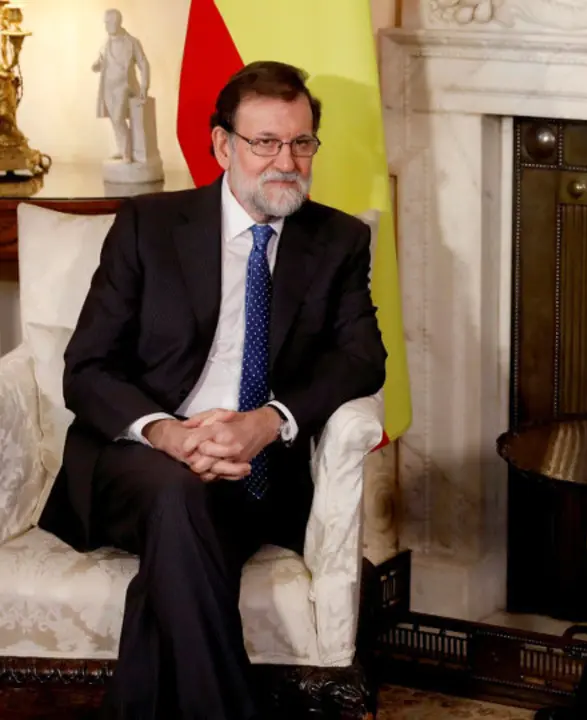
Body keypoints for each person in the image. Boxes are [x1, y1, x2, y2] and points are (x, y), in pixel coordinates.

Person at [37, 61, 387, 720]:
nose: (287, 162)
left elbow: (363, 360)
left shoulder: (337, 240)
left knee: (175, 562)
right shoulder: (149, 225)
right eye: (265, 142)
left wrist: (268, 421)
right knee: (177, 491)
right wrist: (169, 435)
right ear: (223, 145)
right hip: (137, 462)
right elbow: (86, 367)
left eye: (302, 143)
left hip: (257, 473)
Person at [92, 9, 150, 162]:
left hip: (124, 86)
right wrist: (97, 65)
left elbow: (143, 63)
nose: (105, 26)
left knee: (118, 117)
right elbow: (101, 60)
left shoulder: (132, 42)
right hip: (107, 87)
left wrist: (144, 86)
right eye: (105, 23)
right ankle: (122, 147)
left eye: (108, 23)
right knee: (114, 119)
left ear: (117, 22)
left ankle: (127, 153)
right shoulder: (106, 43)